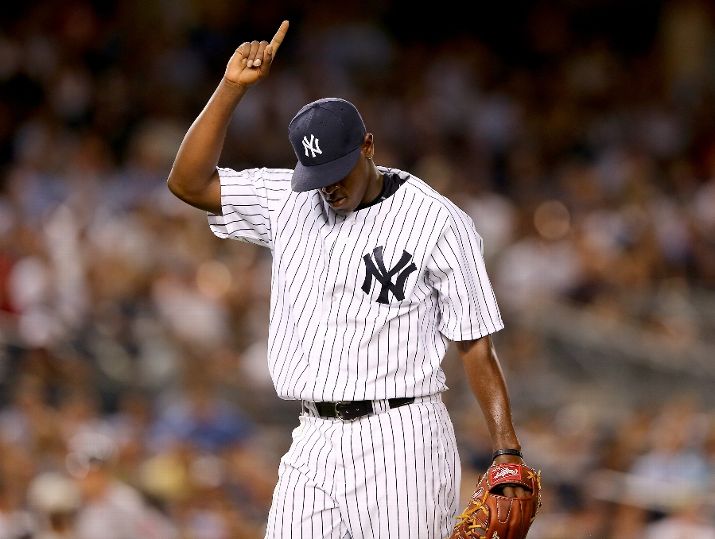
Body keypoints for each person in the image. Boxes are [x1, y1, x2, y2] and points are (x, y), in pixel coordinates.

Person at [167, 20, 530, 539]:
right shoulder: (291, 198)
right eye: (318, 177)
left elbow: (475, 344)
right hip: (312, 436)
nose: (328, 188)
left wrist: (506, 449)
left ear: (368, 146)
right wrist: (231, 89)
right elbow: (188, 182)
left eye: (338, 172)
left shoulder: (437, 220)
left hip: (402, 438)